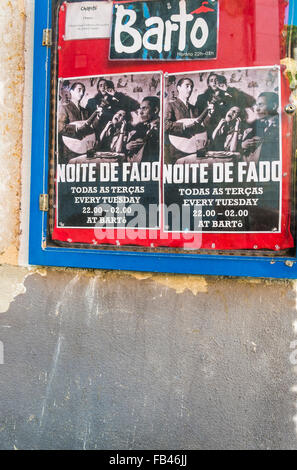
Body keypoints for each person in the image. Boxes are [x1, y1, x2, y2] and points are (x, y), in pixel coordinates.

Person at [165, 77, 206, 163]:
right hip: (177, 150)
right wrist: (183, 126)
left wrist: (209, 114)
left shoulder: (194, 108)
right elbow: (165, 125)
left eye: (191, 87)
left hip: (193, 148)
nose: (190, 89)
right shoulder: (171, 105)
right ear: (178, 88)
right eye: (187, 86)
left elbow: (200, 127)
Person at [58, 82, 95, 162]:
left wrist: (97, 117)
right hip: (70, 151)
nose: (82, 93)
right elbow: (60, 128)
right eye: (79, 90)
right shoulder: (64, 108)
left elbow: (90, 129)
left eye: (83, 91)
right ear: (71, 91)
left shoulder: (85, 111)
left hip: (84, 148)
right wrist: (77, 129)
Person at [242, 92, 279, 164]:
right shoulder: (257, 123)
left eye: (261, 105)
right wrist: (243, 145)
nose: (257, 109)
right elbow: (245, 142)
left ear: (274, 106)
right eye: (257, 105)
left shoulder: (282, 124)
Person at [126, 96, 160, 163]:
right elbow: (128, 144)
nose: (140, 112)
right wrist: (128, 146)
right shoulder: (140, 126)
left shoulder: (164, 126)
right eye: (140, 109)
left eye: (144, 109)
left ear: (155, 110)